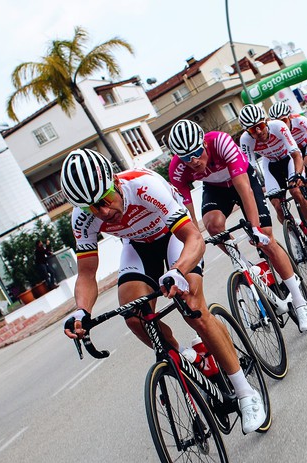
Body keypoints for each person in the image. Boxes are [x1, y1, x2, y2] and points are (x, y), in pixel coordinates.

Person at [60, 148, 266, 434]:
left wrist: (178, 270)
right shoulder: (83, 218)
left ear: (115, 182)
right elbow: (86, 273)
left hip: (174, 237)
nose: (103, 212)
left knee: (193, 308)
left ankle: (246, 393)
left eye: (104, 200)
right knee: (133, 316)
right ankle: (188, 358)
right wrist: (82, 311)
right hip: (138, 247)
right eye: (91, 208)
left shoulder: (145, 186)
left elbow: (194, 237)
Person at [166, 119, 307, 332]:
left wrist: (255, 228)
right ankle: (245, 265)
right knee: (212, 225)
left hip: (243, 179)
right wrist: (194, 242)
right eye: (186, 158)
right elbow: (188, 217)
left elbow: (244, 189)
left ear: (204, 144)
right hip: (216, 189)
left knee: (265, 236)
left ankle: (300, 302)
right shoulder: (177, 169)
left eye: (197, 153)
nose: (194, 161)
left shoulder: (220, 142)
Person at [237, 104, 307, 254]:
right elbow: (249, 169)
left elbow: (296, 155)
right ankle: (297, 233)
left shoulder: (278, 126)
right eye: (253, 130)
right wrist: (255, 190)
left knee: (296, 191)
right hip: (271, 165)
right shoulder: (245, 140)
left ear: (266, 121)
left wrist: (298, 175)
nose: (259, 131)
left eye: (260, 125)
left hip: (288, 160)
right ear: (247, 131)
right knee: (277, 204)